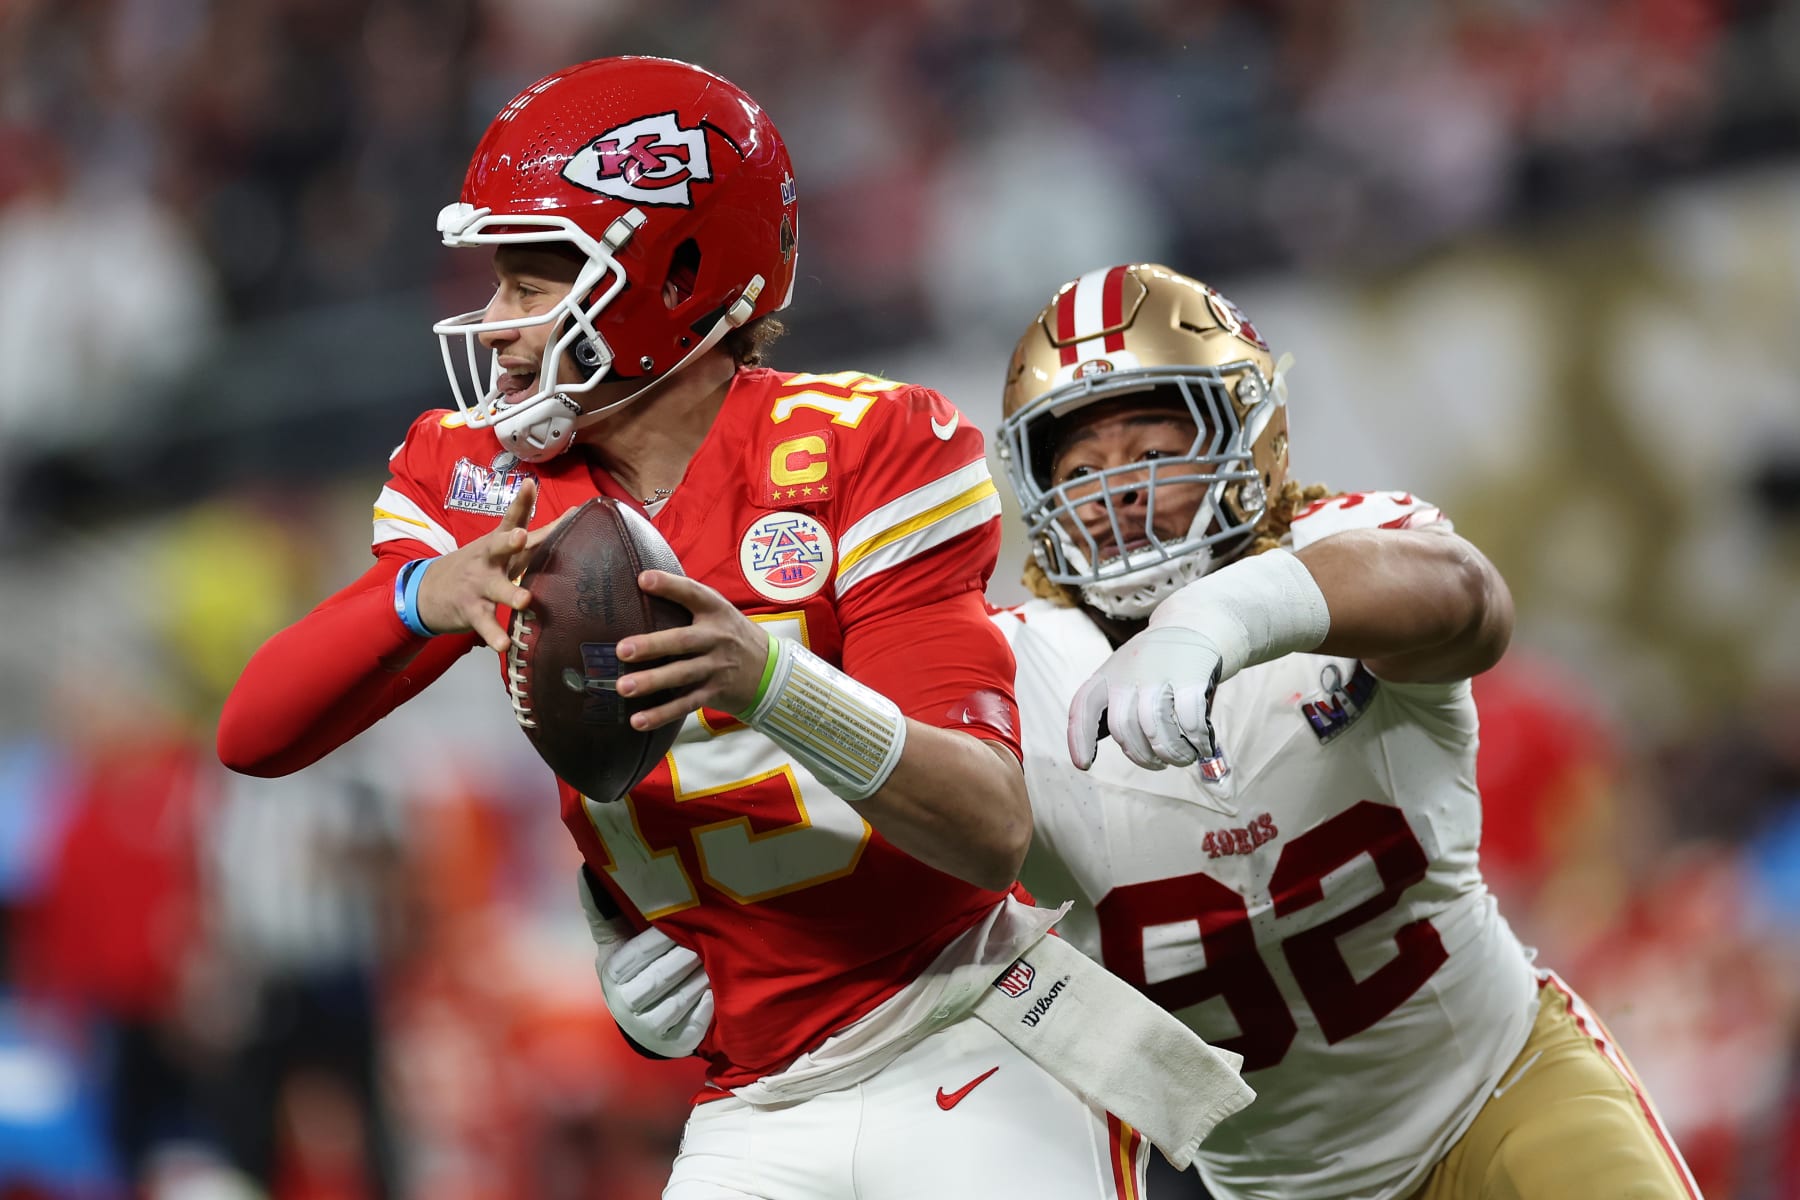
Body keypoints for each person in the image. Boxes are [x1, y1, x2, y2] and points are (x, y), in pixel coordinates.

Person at [218, 60, 1246, 1198]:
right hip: (752, 1094)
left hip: (966, 1030)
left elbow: (988, 827)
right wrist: (424, 595)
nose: (497, 325)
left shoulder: (865, 445)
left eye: (531, 283)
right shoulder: (479, 481)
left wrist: (767, 681)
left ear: (676, 276)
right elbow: (255, 732)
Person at [987, 262, 1702, 1200]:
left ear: (1247, 441)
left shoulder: (1339, 555)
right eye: (1080, 469)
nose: (1115, 490)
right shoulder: (1009, 674)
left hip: (1499, 1091)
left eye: (1152, 446)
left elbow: (1468, 598)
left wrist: (1215, 620)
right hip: (1282, 1189)